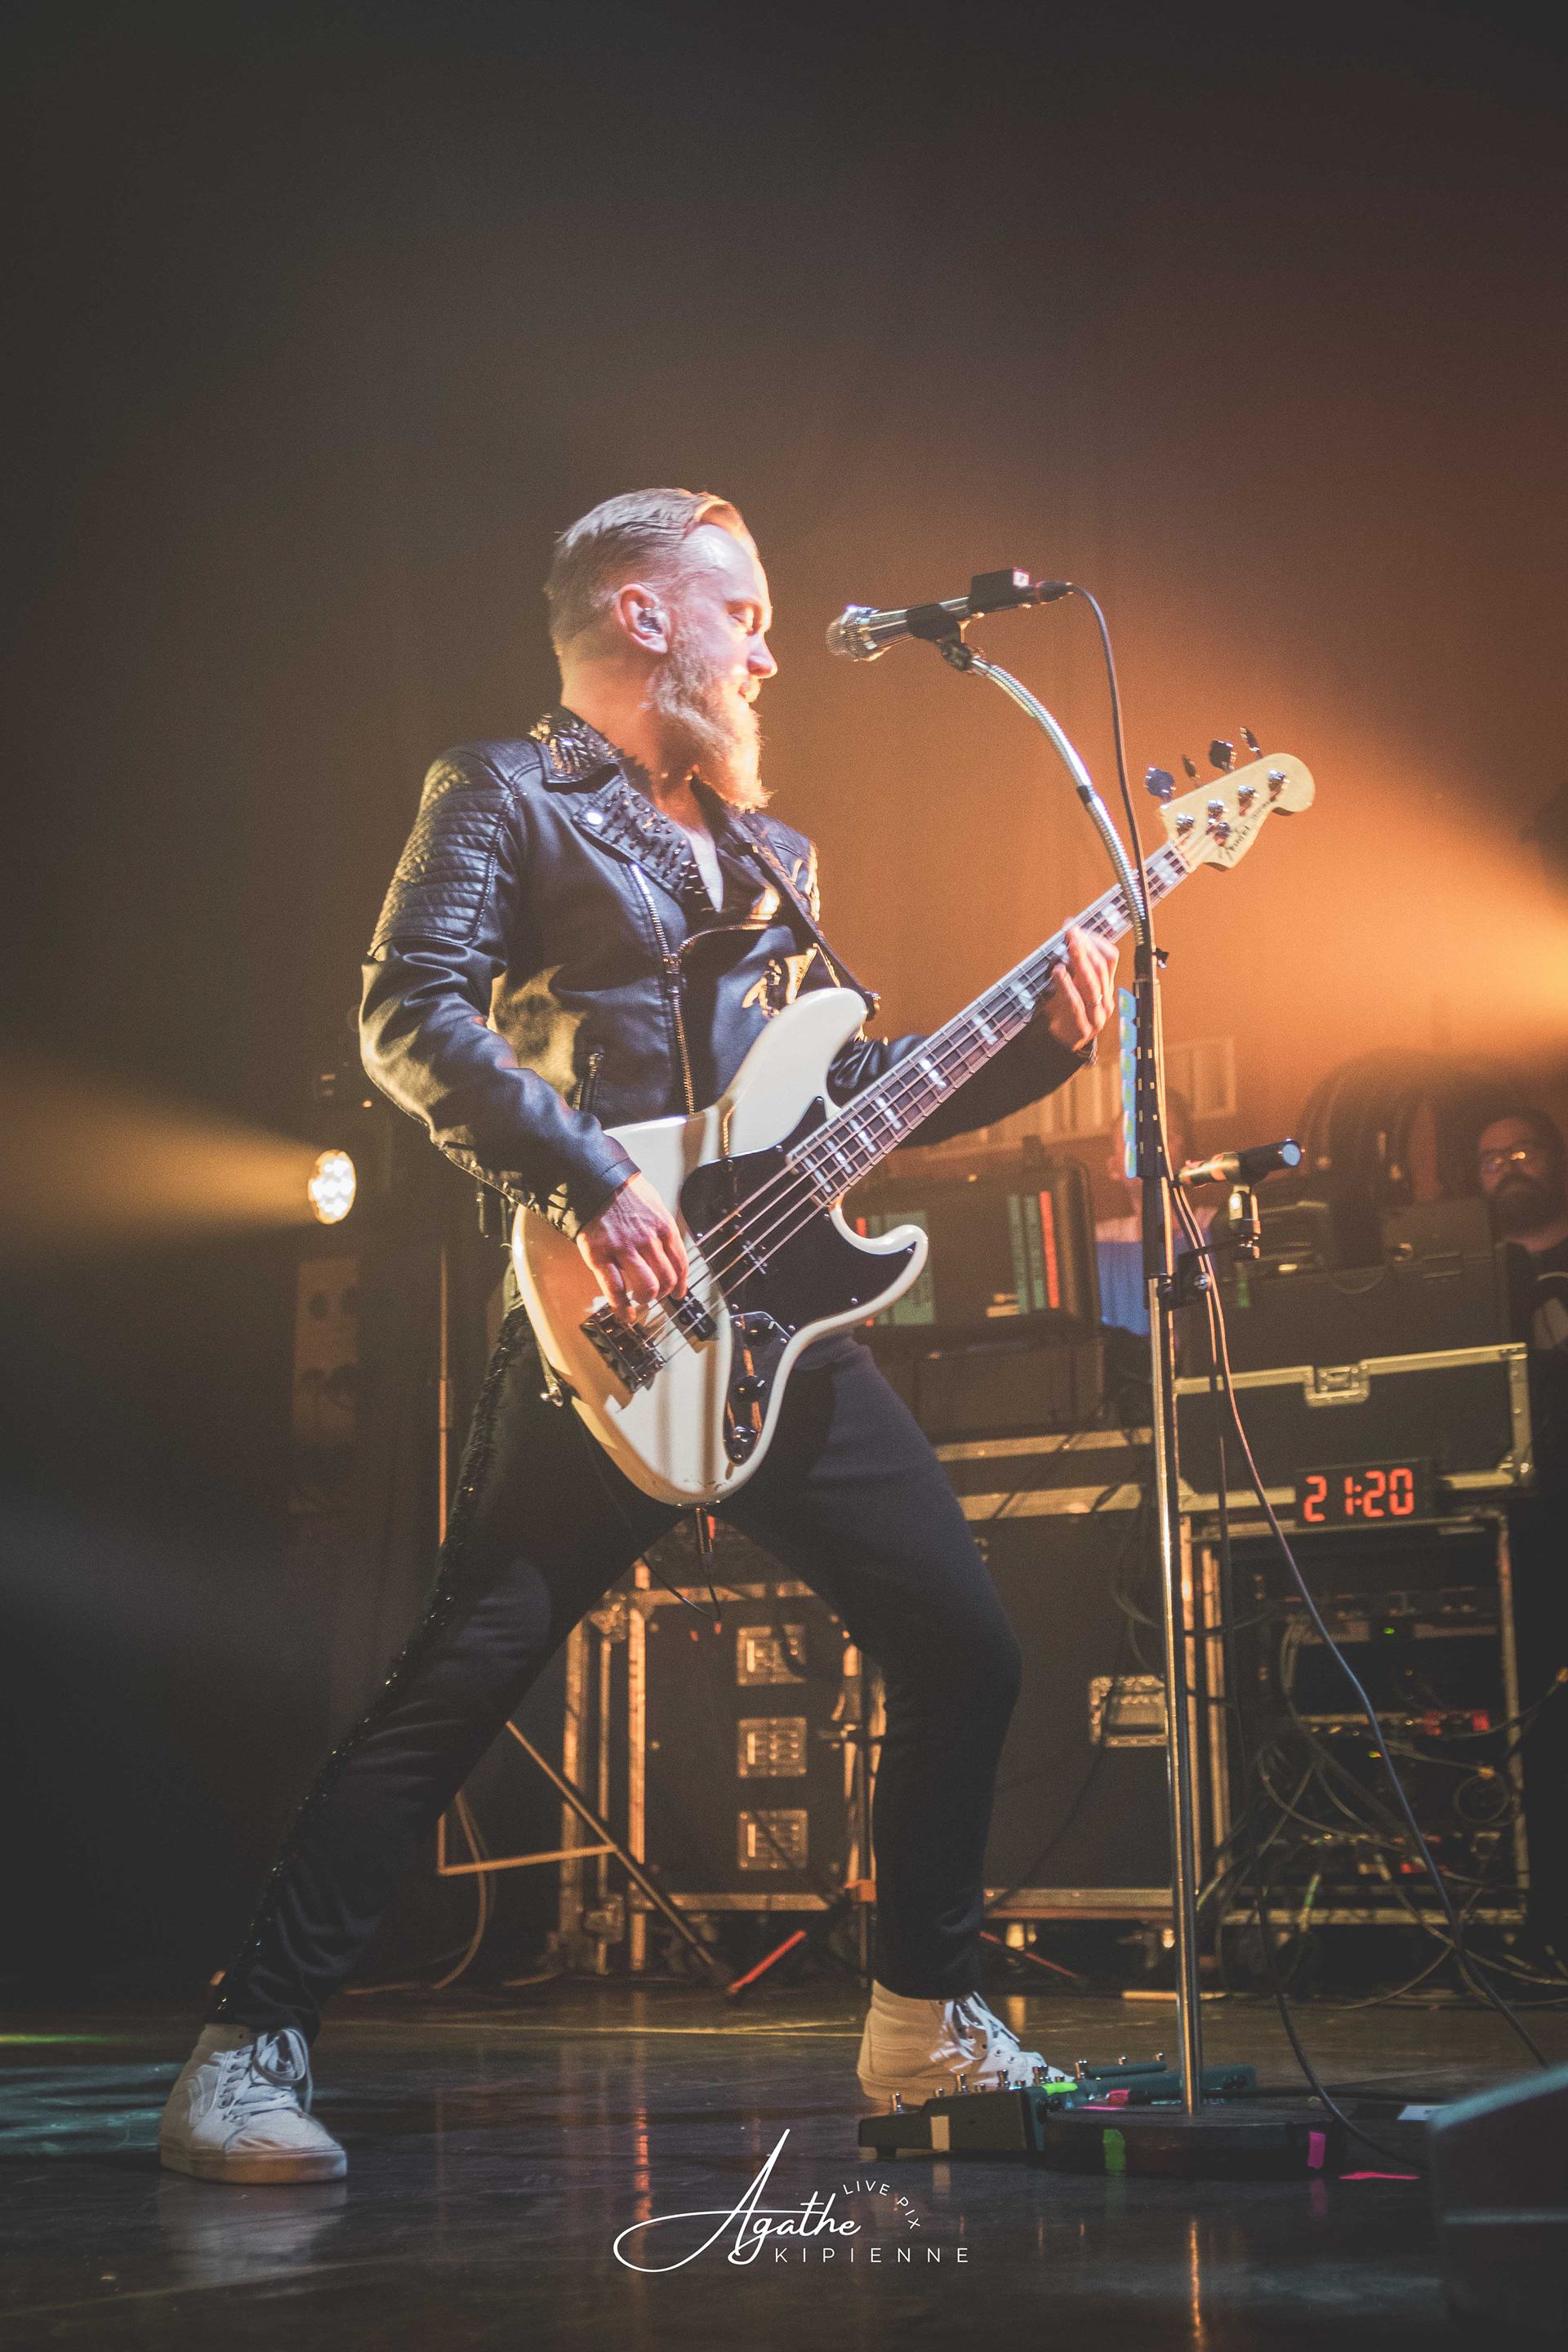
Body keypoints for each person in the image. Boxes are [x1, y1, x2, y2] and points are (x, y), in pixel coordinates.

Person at [158, 488, 1118, 2184]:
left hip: (778, 1326)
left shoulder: (775, 855)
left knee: (966, 1648)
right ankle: (246, 2053)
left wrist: (1043, 1046)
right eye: (743, 612)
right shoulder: (503, 791)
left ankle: (923, 2029)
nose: (769, 652)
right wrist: (591, 1179)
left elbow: (839, 1102)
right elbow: (408, 1013)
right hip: (601, 1317)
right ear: (642, 612)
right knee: (461, 1681)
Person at [1476, 1106, 1568, 1962]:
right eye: (1491, 1159)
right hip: (1520, 1524)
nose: (1507, 1167)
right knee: (1537, 1725)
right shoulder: (1469, 1276)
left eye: (1523, 1151)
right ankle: (1545, 1925)